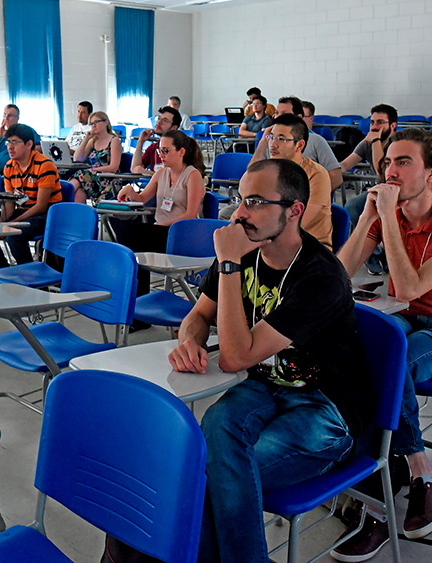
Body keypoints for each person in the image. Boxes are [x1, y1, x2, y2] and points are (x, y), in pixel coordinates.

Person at [167, 158, 370, 563]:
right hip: (262, 386)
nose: (239, 213)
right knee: (212, 432)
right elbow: (197, 316)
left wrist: (228, 263)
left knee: (205, 478)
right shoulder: (244, 247)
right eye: (240, 199)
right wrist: (189, 340)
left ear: (294, 210)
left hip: (325, 409)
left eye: (256, 202)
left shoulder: (320, 276)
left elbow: (233, 357)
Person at [334, 128, 432, 559]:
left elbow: (407, 286)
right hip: (408, 318)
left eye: (403, 162)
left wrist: (387, 221)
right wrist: (367, 219)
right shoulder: (390, 215)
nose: (390, 171)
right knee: (356, 353)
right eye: (387, 163)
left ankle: (392, 492)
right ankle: (408, 474)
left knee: (385, 367)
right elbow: (337, 276)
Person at [114, 130, 206, 307]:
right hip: (159, 231)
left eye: (165, 151)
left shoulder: (192, 175)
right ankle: (135, 302)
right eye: (159, 151)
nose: (161, 155)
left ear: (181, 152)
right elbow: (142, 198)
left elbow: (190, 214)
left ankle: (133, 300)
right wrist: (130, 192)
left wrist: (160, 225)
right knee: (124, 231)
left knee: (134, 239)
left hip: (181, 235)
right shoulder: (161, 174)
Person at [219, 113, 333, 249]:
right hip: (268, 236)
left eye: (281, 139)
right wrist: (262, 142)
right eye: (271, 137)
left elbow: (298, 223)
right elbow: (249, 179)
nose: (273, 144)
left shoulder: (317, 174)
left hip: (307, 245)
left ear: (299, 145)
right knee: (227, 217)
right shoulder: (272, 169)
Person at [0, 124, 62, 270]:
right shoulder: (9, 166)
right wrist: (3, 221)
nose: (10, 147)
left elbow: (40, 206)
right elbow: (10, 202)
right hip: (24, 212)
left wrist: (12, 223)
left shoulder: (44, 165)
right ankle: (1, 271)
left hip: (46, 215)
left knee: (14, 235)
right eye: (8, 142)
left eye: (15, 142)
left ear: (29, 144)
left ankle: (30, 277)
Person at [253, 96, 342, 191]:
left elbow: (336, 177)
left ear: (298, 117)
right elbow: (252, 174)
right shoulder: (270, 141)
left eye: (284, 114)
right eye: (276, 113)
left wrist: (317, 195)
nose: (278, 117)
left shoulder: (316, 141)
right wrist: (263, 141)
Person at [340, 104, 399, 228]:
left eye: (380, 122)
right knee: (351, 207)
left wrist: (375, 141)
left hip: (400, 191)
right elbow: (345, 165)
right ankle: (372, 247)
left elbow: (382, 173)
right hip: (380, 191)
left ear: (392, 126)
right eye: (372, 122)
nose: (375, 127)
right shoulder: (367, 143)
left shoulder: (398, 143)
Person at [72, 111, 123, 204]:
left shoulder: (114, 140)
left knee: (82, 174)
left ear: (106, 122)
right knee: (79, 192)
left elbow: (114, 167)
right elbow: (77, 159)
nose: (93, 125)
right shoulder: (93, 141)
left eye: (96, 122)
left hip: (109, 180)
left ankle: (63, 194)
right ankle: (80, 217)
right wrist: (86, 138)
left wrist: (94, 170)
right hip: (93, 179)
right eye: (91, 124)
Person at [0, 104, 42, 174]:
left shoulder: (26, 130)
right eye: (4, 115)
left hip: (19, 171)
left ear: (17, 118)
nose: (6, 118)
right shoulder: (2, 135)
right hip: (0, 173)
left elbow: (39, 148)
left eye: (10, 116)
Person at [131, 105, 181, 175]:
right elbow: (135, 169)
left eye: (165, 120)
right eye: (159, 118)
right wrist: (140, 142)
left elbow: (173, 177)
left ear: (174, 127)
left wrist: (148, 172)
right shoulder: (154, 147)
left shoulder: (178, 148)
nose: (158, 122)